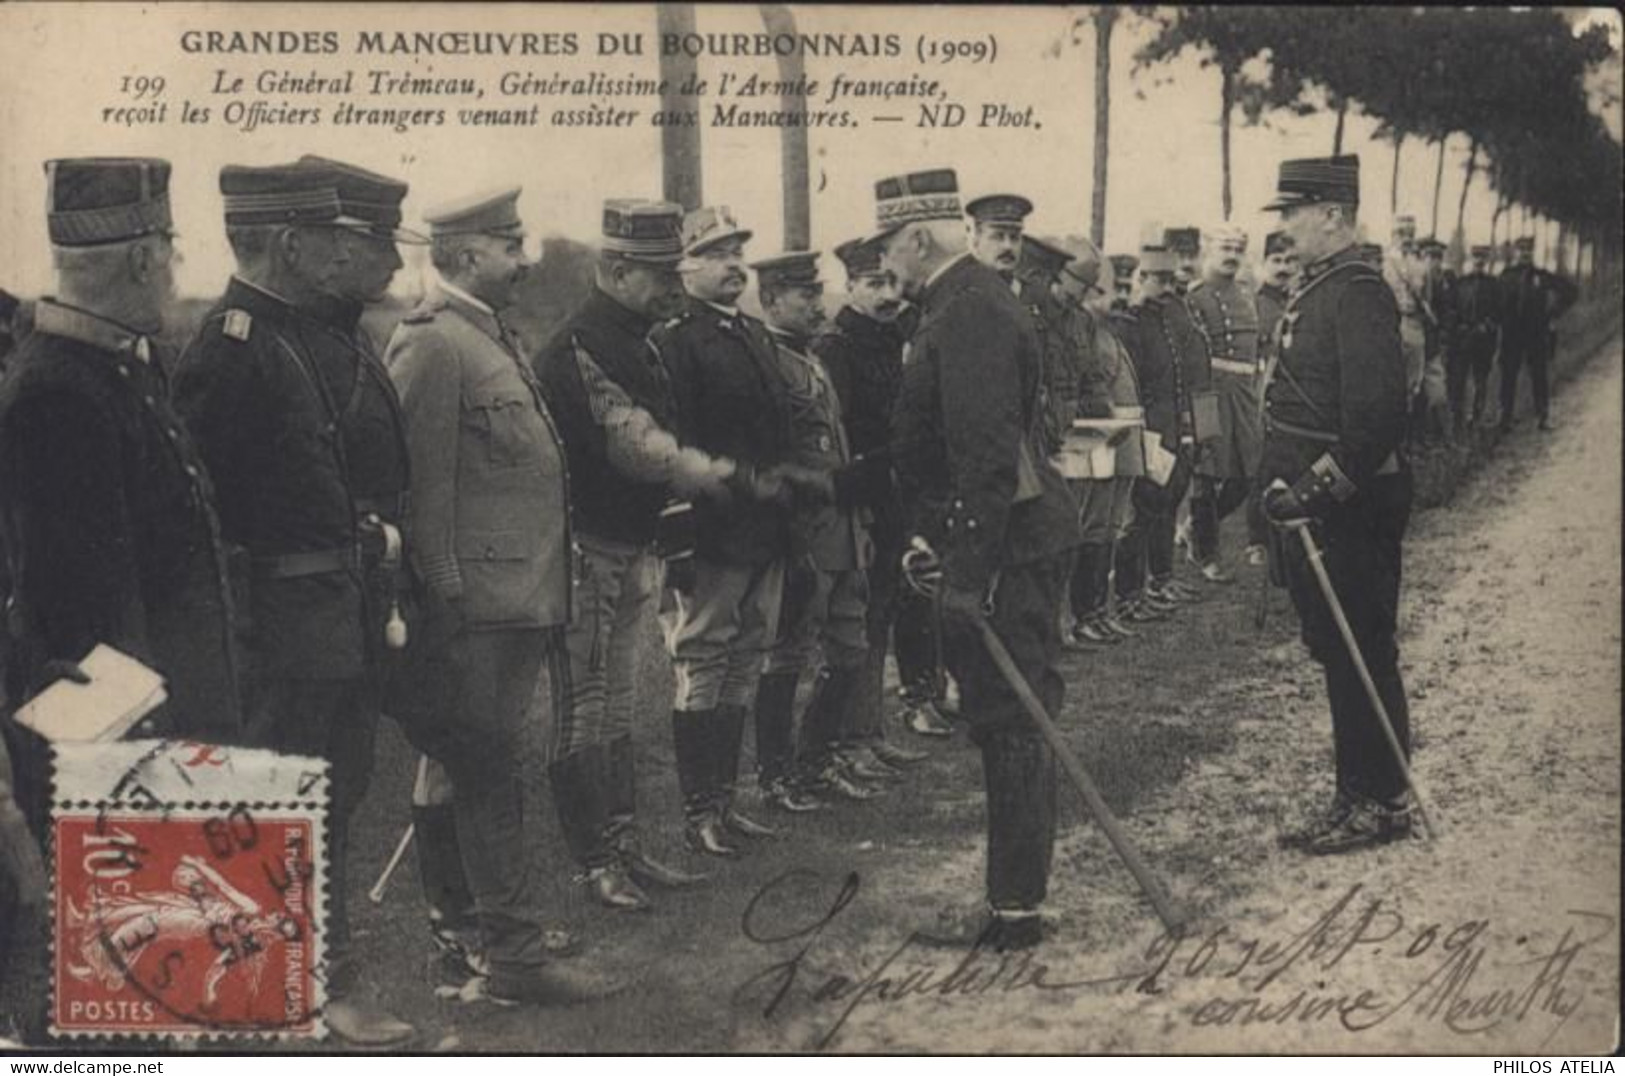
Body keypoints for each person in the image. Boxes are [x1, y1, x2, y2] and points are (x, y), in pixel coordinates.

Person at [172, 158, 415, 1044]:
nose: (337, 250)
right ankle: (292, 993)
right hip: (279, 624)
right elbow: (201, 516)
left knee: (332, 795)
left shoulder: (297, 333)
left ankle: (308, 983)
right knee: (284, 801)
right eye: (324, 236)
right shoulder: (231, 348)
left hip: (332, 611)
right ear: (286, 243)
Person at [385, 187, 621, 1007]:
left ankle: (473, 933)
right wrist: (444, 599)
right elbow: (419, 493)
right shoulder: (432, 345)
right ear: (460, 255)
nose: (522, 260)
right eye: (508, 245)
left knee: (459, 769)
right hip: (474, 607)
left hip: (516, 598)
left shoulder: (486, 333)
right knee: (482, 771)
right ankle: (502, 949)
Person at [535, 199, 795, 908]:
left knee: (618, 702)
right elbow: (636, 444)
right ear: (614, 271)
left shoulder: (640, 334)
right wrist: (721, 475)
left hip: (631, 542)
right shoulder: (582, 342)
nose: (670, 286)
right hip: (589, 548)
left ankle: (624, 847)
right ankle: (596, 863)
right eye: (655, 274)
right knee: (584, 707)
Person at [0, 158, 241, 840]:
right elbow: (81, 610)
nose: (174, 269)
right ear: (142, 258)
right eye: (171, 251)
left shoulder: (116, 367)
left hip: (169, 723)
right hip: (129, 747)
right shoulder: (60, 392)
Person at [877, 168, 1078, 950]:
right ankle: (1015, 898)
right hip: (1000, 539)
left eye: (888, 248)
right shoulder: (958, 303)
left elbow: (987, 458)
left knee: (1012, 718)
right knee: (1006, 718)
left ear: (918, 238)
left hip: (1009, 547)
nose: (885, 266)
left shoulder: (967, 312)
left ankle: (1015, 908)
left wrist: (966, 573)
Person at [1259, 154, 1416, 855]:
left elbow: (1376, 415)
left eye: (1292, 213)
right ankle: (1353, 792)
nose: (1284, 228)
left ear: (1330, 214)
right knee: (1335, 650)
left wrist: (1315, 490)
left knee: (1361, 649)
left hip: (1346, 503)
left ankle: (1382, 801)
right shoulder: (1321, 284)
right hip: (1310, 506)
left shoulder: (1357, 290)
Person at [651, 207, 802, 858]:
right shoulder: (673, 341)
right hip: (711, 529)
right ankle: (698, 812)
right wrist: (678, 538)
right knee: (703, 661)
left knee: (746, 656)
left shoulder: (754, 334)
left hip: (763, 528)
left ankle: (726, 802)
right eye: (716, 253)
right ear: (684, 268)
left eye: (738, 250)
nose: (734, 264)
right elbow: (668, 445)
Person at [750, 250, 895, 810]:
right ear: (769, 301)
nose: (817, 304)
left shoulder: (809, 358)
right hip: (804, 529)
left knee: (848, 643)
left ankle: (819, 758)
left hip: (843, 525)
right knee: (787, 652)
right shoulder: (769, 362)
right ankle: (775, 775)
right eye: (803, 295)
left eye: (817, 293)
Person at [814, 239, 945, 750]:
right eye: (874, 284)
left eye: (892, 282)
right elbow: (839, 432)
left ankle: (910, 705)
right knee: (867, 617)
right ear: (849, 288)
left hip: (905, 492)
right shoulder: (836, 347)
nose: (889, 295)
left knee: (912, 599)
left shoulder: (900, 336)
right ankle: (858, 731)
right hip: (866, 496)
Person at [1185, 225, 1266, 581]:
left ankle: (1195, 527)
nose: (1232, 255)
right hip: (1207, 390)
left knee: (1248, 472)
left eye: (1238, 248)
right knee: (1206, 471)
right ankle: (1207, 554)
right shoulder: (1195, 296)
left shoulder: (1248, 294)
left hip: (1244, 392)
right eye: (1225, 247)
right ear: (1209, 249)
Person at [1131, 246, 1205, 609]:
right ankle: (1142, 587)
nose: (1166, 287)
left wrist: (1199, 429)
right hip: (1152, 427)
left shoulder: (1173, 313)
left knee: (1170, 500)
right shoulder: (1134, 321)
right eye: (1158, 279)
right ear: (1140, 279)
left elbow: (1193, 375)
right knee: (1148, 507)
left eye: (1169, 279)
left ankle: (1162, 579)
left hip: (1177, 424)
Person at [1496, 236, 1578, 433]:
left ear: (1533, 253)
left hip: (1536, 332)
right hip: (1512, 334)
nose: (1525, 254)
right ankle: (1505, 418)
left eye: (1528, 251)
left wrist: (1553, 314)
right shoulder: (1507, 276)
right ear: (1516, 253)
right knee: (1508, 376)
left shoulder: (1542, 276)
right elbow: (1496, 301)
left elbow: (1570, 291)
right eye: (1522, 250)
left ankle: (1543, 417)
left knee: (1539, 376)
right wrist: (1500, 321)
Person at [1448, 244, 1502, 433]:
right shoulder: (1460, 283)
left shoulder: (1493, 285)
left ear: (1486, 261)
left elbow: (1499, 311)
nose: (1479, 261)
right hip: (1463, 340)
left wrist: (1488, 325)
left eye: (1482, 258)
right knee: (1459, 381)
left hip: (1483, 340)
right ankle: (1458, 421)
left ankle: (1476, 419)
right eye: (1475, 257)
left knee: (1481, 381)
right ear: (1470, 260)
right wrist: (1458, 326)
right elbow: (1452, 309)